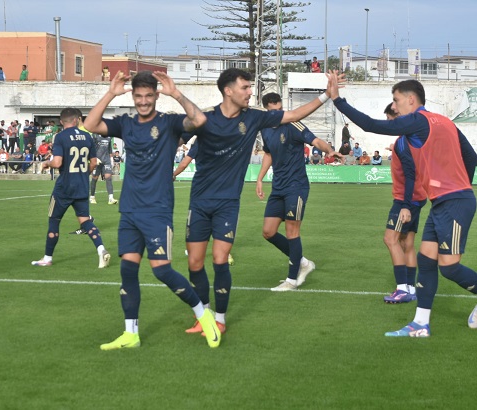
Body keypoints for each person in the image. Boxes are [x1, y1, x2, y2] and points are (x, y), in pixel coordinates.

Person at [183, 68, 337, 336]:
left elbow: (301, 121)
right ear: (228, 90)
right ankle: (204, 315)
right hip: (213, 198)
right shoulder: (209, 118)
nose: (250, 92)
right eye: (245, 87)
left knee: (223, 258)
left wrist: (326, 96)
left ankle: (288, 279)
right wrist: (259, 179)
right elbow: (177, 134)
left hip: (281, 190)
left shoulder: (258, 119)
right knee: (262, 234)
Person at [328, 74, 477, 337]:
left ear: (411, 100)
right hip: (442, 202)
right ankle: (420, 324)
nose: (394, 106)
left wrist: (338, 100)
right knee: (426, 260)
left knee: (449, 266)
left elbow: (372, 125)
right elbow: (471, 156)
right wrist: (456, 181)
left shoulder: (418, 121)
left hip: (454, 202)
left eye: (396, 101)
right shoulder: (444, 122)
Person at [84, 70, 221, 350]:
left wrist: (177, 93)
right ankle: (130, 333)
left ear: (156, 96)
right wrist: (111, 92)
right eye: (138, 96)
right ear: (133, 97)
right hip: (130, 211)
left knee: (161, 271)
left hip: (158, 210)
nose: (143, 101)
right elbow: (90, 124)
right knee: (127, 270)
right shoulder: (126, 124)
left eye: (148, 96)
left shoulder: (170, 123)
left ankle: (203, 315)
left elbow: (200, 120)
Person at [255, 92, 340, 291]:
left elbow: (315, 140)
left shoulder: (293, 124)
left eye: (279, 110)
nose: (277, 114)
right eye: (273, 112)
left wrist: (329, 150)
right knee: (268, 232)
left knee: (292, 231)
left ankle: (292, 281)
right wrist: (260, 178)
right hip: (278, 187)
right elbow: (268, 153)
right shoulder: (265, 129)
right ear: (267, 111)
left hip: (296, 186)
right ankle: (303, 262)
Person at [31, 107, 110, 271]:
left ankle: (47, 258)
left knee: (54, 220)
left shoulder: (60, 137)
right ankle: (101, 249)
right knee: (85, 221)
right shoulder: (87, 137)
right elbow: (94, 163)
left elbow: (58, 163)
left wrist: (46, 163)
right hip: (81, 186)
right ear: (77, 120)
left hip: (64, 187)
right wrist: (83, 174)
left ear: (61, 122)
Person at [380, 103, 427, 304]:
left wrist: (406, 204)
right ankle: (410, 288)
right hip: (418, 197)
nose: (390, 126)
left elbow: (410, 174)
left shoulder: (403, 142)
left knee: (390, 239)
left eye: (391, 122)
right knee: (406, 243)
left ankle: (402, 289)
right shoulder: (413, 140)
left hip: (405, 199)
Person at [87, 122, 118, 205]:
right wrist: (93, 158)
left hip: (106, 159)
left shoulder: (109, 136)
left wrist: (111, 159)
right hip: (97, 160)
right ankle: (92, 197)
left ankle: (111, 198)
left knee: (108, 177)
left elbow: (109, 148)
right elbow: (91, 147)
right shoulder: (95, 135)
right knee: (95, 178)